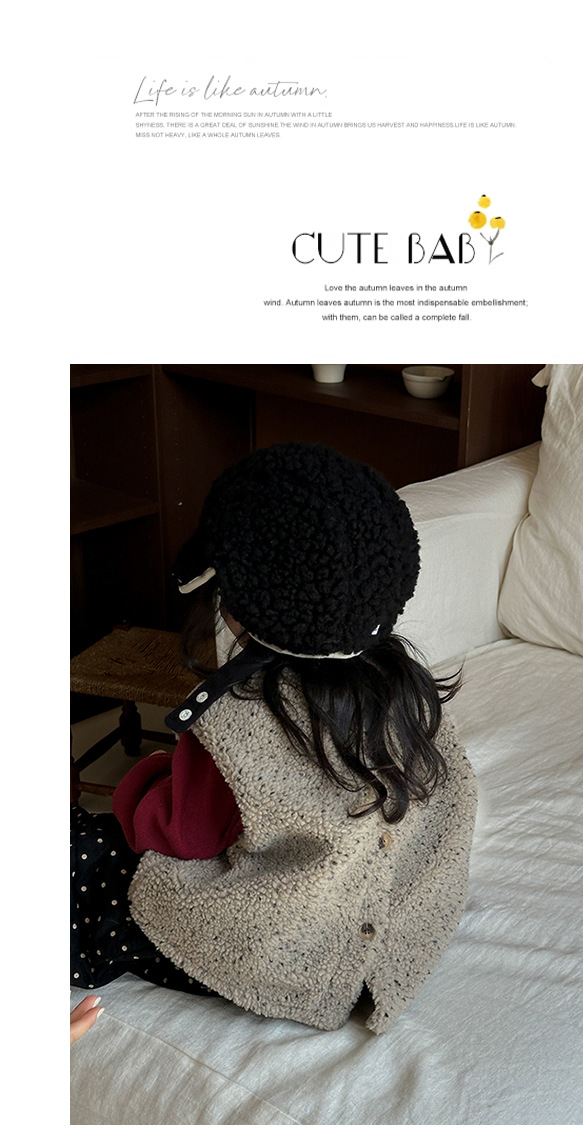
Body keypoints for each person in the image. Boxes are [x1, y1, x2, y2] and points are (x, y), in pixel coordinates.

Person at [71, 442, 477, 1034]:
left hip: (285, 956)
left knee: (80, 854)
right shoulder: (407, 687)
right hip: (394, 938)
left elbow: (176, 834)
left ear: (234, 601)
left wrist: (149, 781)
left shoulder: (240, 718)